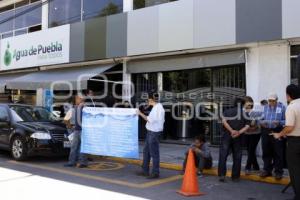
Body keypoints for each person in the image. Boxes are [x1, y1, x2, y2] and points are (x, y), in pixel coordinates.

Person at [272, 84, 300, 200]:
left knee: (295, 170)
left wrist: (279, 134)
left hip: (295, 142)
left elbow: (289, 127)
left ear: (288, 95)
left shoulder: (291, 107)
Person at [218, 97, 250, 182]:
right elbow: (247, 126)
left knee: (223, 155)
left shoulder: (227, 111)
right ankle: (235, 177)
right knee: (237, 156)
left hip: (227, 136)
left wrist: (231, 131)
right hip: (238, 137)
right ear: (242, 104)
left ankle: (222, 175)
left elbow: (224, 122)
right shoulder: (245, 113)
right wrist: (238, 132)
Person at [137, 92, 165, 179]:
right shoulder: (157, 107)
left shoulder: (157, 109)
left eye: (147, 100)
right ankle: (145, 170)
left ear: (151, 100)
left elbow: (149, 119)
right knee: (146, 152)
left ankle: (155, 172)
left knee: (154, 153)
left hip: (154, 132)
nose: (147, 102)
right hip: (151, 132)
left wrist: (140, 113)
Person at [260, 93, 286, 180]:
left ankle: (278, 172)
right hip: (266, 131)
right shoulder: (265, 107)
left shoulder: (282, 107)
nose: (271, 102)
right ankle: (267, 170)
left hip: (277, 130)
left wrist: (279, 123)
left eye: (273, 101)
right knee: (266, 151)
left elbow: (286, 120)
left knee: (278, 152)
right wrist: (262, 123)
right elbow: (260, 119)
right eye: (269, 100)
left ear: (276, 100)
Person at [64, 94, 88, 168]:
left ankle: (72, 162)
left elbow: (65, 120)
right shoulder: (86, 108)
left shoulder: (74, 108)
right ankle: (82, 162)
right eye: (77, 99)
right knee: (82, 147)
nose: (77, 100)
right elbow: (66, 120)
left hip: (77, 130)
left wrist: (70, 127)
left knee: (75, 147)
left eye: (78, 99)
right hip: (83, 130)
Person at [244, 96, 263, 175]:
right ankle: (256, 166)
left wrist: (252, 127)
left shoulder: (255, 112)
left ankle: (247, 167)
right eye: (246, 103)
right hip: (247, 133)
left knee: (251, 149)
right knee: (249, 150)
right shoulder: (243, 112)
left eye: (249, 103)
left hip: (255, 133)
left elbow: (259, 124)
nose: (247, 105)